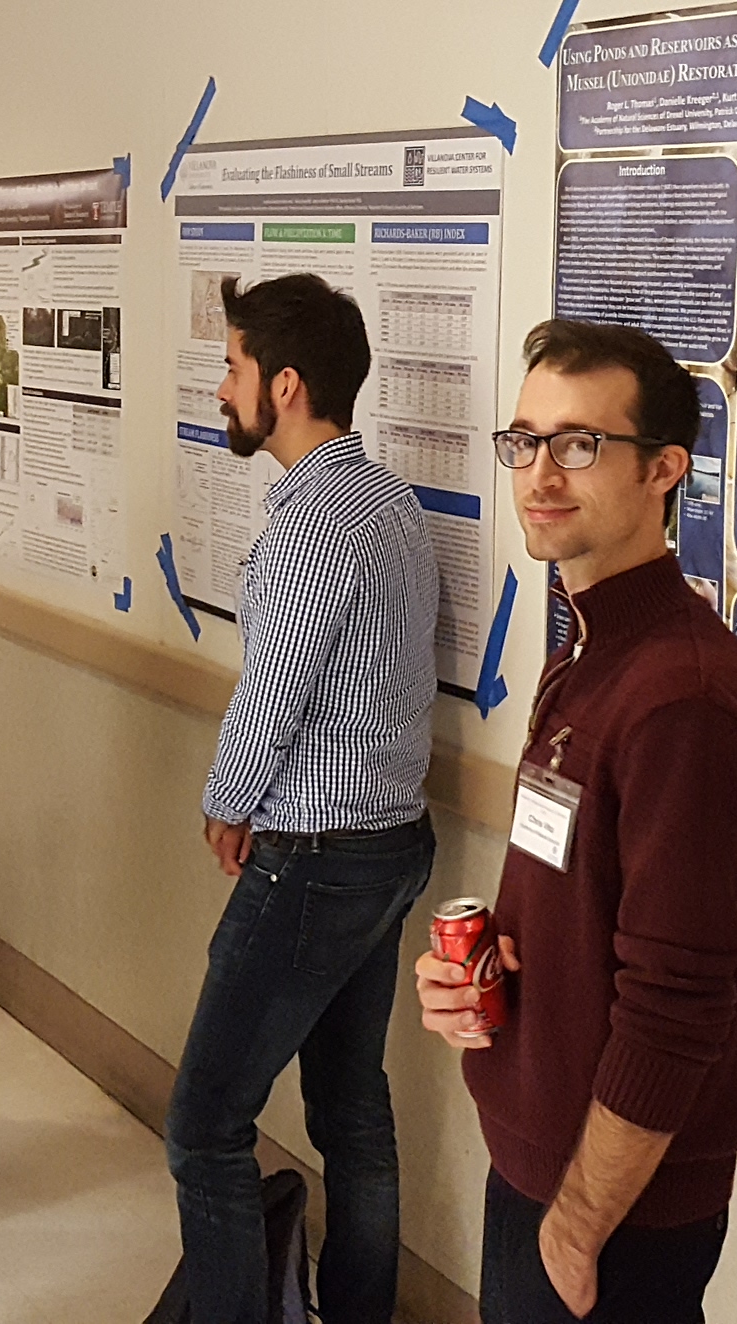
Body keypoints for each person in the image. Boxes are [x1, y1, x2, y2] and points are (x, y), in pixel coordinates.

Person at [414, 320, 737, 1324]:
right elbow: (579, 875)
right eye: (525, 441)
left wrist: (576, 1228)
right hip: (544, 1159)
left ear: (665, 469)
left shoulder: (681, 696)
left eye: (581, 444)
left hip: (614, 1206)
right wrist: (482, 966)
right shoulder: (591, 650)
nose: (541, 473)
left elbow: (679, 1003)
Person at [164, 275, 441, 1324]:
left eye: (232, 367)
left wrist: (226, 804)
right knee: (351, 1110)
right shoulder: (388, 502)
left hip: (315, 855)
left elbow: (271, 694)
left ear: (283, 385)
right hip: (389, 841)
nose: (220, 384)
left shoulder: (313, 526)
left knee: (204, 1124)